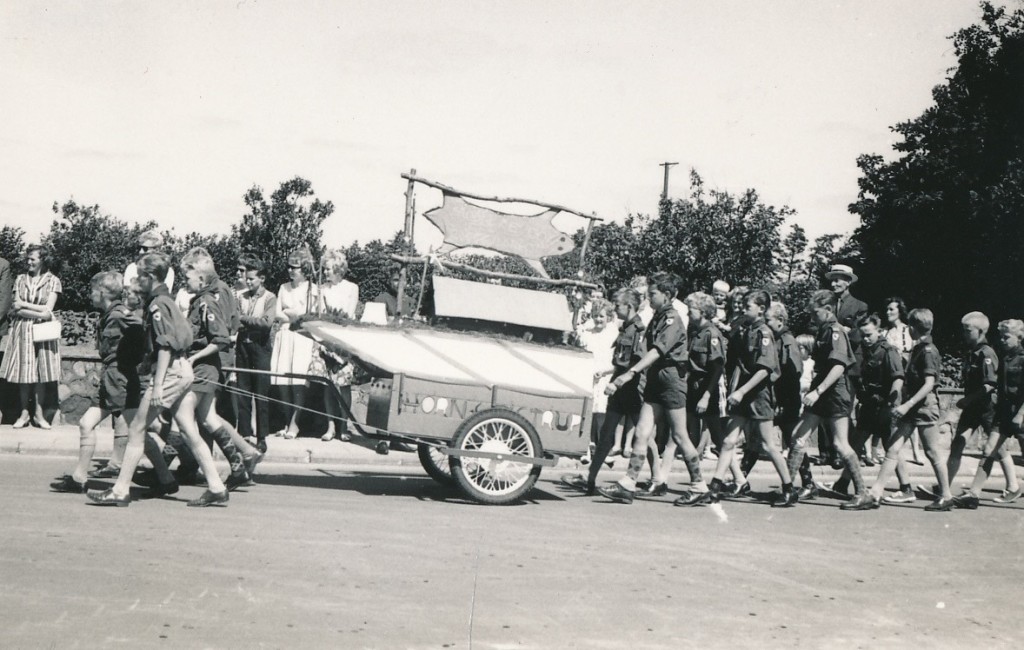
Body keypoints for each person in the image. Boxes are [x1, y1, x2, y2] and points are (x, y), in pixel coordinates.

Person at [87, 252, 229, 507]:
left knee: (137, 428)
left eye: (140, 275)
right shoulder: (165, 300)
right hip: (182, 368)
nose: (136, 279)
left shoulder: (157, 304)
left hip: (171, 370)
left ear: (150, 277)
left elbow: (164, 346)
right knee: (187, 428)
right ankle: (216, 486)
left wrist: (158, 385)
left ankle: (120, 490)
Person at [598, 272, 706, 504]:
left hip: (671, 379)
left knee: (679, 434)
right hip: (656, 378)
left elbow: (657, 350)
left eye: (653, 293)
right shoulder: (658, 317)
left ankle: (699, 485)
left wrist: (631, 373)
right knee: (641, 432)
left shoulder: (672, 319)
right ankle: (628, 483)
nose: (649, 296)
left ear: (667, 295)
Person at [686, 289, 794, 507]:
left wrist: (741, 391)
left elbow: (765, 369)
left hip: (758, 395)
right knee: (727, 441)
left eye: (748, 307)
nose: (744, 310)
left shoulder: (764, 333)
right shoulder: (748, 330)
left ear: (761, 309)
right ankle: (714, 488)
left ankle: (789, 488)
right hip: (743, 395)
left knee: (768, 444)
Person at [844, 308, 953, 511]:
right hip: (912, 407)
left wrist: (906, 405)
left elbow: (929, 384)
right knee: (893, 449)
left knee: (932, 452)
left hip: (924, 407)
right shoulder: (919, 348)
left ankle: (946, 496)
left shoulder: (928, 351)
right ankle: (875, 494)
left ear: (912, 327)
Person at [50, 272, 144, 493]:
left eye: (92, 291)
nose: (89, 295)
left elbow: (141, 330)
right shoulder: (110, 314)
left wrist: (132, 361)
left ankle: (164, 478)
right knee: (86, 423)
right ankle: (79, 478)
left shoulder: (120, 314)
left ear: (102, 292)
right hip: (110, 377)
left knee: (137, 430)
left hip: (119, 377)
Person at [177, 248, 258, 490]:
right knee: (206, 416)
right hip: (213, 358)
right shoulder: (214, 290)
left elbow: (223, 330)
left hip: (214, 358)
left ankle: (195, 465)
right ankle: (238, 459)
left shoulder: (215, 293)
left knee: (193, 416)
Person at [561, 288, 646, 494]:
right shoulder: (625, 328)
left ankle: (658, 478)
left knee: (645, 437)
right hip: (618, 387)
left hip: (631, 389)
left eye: (618, 305)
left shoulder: (638, 330)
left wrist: (618, 382)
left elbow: (637, 362)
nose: (615, 309)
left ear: (630, 306)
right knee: (606, 434)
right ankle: (590, 479)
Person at [786, 290, 863, 507]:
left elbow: (838, 366)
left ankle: (862, 492)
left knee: (840, 443)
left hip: (834, 392)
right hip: (821, 391)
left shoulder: (836, 332)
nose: (812, 317)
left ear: (828, 310)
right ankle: (789, 488)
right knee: (798, 437)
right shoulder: (824, 330)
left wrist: (817, 391)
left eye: (815, 313)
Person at [741, 302, 813, 495]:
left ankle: (807, 483)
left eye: (769, 319)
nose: (765, 322)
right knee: (759, 438)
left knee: (790, 440)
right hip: (775, 398)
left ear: (780, 321)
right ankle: (741, 478)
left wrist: (782, 401)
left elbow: (792, 373)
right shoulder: (774, 337)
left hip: (785, 399)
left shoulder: (787, 341)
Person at [943, 312, 1016, 496]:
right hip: (972, 408)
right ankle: (944, 486)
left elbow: (989, 384)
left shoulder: (986, 353)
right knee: (957, 444)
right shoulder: (972, 352)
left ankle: (1013, 486)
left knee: (998, 449)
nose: (964, 334)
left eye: (968, 330)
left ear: (981, 331)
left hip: (987, 408)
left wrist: (967, 400)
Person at [844, 313, 913, 503]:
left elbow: (898, 377)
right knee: (857, 442)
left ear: (879, 331)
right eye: (863, 335)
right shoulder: (865, 350)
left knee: (891, 446)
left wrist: (892, 401)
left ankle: (906, 487)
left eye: (869, 334)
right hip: (869, 403)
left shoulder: (887, 350)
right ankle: (842, 483)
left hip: (884, 404)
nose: (866, 339)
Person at [956, 319, 1024, 507]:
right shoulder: (1004, 358)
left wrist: (1020, 414)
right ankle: (973, 494)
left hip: (1020, 414)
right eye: (1001, 337)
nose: (1002, 340)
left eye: (1007, 337)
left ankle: (1012, 489)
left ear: (1019, 337)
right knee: (988, 450)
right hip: (1003, 414)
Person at [1, 245, 62, 428]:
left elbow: (47, 312)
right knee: (23, 373)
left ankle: (38, 414)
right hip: (22, 331)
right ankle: (24, 413)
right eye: (27, 259)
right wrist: (38, 309)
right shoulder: (20, 279)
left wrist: (26, 307)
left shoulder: (53, 281)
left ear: (42, 259)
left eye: (33, 259)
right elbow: (15, 305)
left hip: (42, 332)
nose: (29, 262)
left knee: (39, 373)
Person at [271, 248, 319, 438]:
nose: (291, 271)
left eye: (296, 268)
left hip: (301, 337)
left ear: (304, 269)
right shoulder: (284, 287)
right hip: (285, 335)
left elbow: (310, 315)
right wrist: (292, 315)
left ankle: (295, 423)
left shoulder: (312, 290)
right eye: (289, 267)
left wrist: (292, 315)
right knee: (283, 380)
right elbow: (276, 313)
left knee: (298, 381)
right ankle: (286, 419)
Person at [316, 250, 359, 442]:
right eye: (324, 269)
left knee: (344, 385)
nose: (325, 273)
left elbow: (348, 315)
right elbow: (320, 313)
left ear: (338, 268)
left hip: (344, 339)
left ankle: (344, 426)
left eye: (327, 269)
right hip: (326, 338)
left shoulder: (351, 288)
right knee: (328, 385)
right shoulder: (322, 289)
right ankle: (330, 426)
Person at [236, 258, 276, 453]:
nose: (248, 282)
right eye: (247, 278)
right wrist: (251, 321)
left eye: (252, 278)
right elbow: (232, 320)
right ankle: (244, 433)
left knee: (261, 393)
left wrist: (244, 319)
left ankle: (262, 437)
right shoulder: (240, 296)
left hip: (261, 347)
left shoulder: (270, 298)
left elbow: (267, 323)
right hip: (243, 346)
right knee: (242, 392)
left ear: (262, 278)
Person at [576, 298, 619, 464]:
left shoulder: (614, 335)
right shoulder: (589, 334)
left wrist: (604, 372)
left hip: (605, 376)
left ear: (608, 317)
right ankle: (585, 448)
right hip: (590, 376)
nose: (598, 319)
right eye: (596, 316)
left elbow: (616, 361)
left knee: (602, 414)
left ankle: (603, 450)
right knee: (588, 412)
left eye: (601, 316)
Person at [882, 296, 923, 464]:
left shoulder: (907, 330)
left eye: (892, 309)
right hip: (888, 377)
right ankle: (884, 450)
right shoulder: (884, 332)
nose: (888, 312)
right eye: (887, 309)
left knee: (907, 415)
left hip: (905, 377)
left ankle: (915, 451)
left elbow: (913, 352)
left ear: (900, 311)